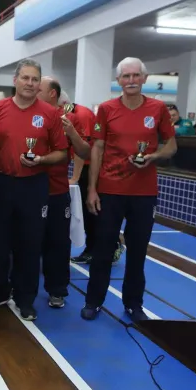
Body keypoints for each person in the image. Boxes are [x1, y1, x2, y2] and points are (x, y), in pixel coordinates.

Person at [82, 57, 177, 322]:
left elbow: (171, 145)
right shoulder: (106, 109)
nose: (131, 80)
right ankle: (94, 300)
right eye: (126, 76)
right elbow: (97, 148)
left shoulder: (158, 109)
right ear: (118, 81)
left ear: (144, 78)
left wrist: (155, 155)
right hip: (110, 191)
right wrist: (92, 189)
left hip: (144, 193)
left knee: (138, 251)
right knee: (102, 249)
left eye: (136, 75)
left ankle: (134, 303)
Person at [0, 59, 68, 321]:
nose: (30, 83)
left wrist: (42, 160)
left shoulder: (50, 113)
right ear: (15, 80)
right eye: (25, 78)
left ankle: (26, 299)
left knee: (30, 246)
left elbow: (62, 152)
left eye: (35, 79)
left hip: (34, 186)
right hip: (0, 184)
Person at [38, 77, 90, 309]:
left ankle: (57, 289)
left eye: (38, 87)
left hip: (57, 191)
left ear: (52, 94)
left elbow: (84, 151)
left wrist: (73, 134)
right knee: (22, 242)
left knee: (58, 243)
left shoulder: (69, 119)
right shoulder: (24, 114)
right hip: (27, 190)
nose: (31, 88)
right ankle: (16, 287)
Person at [64, 92, 125, 267]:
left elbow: (83, 149)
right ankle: (95, 248)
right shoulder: (69, 113)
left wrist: (75, 177)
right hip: (87, 168)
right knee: (87, 212)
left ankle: (109, 247)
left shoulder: (79, 115)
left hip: (93, 169)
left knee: (92, 211)